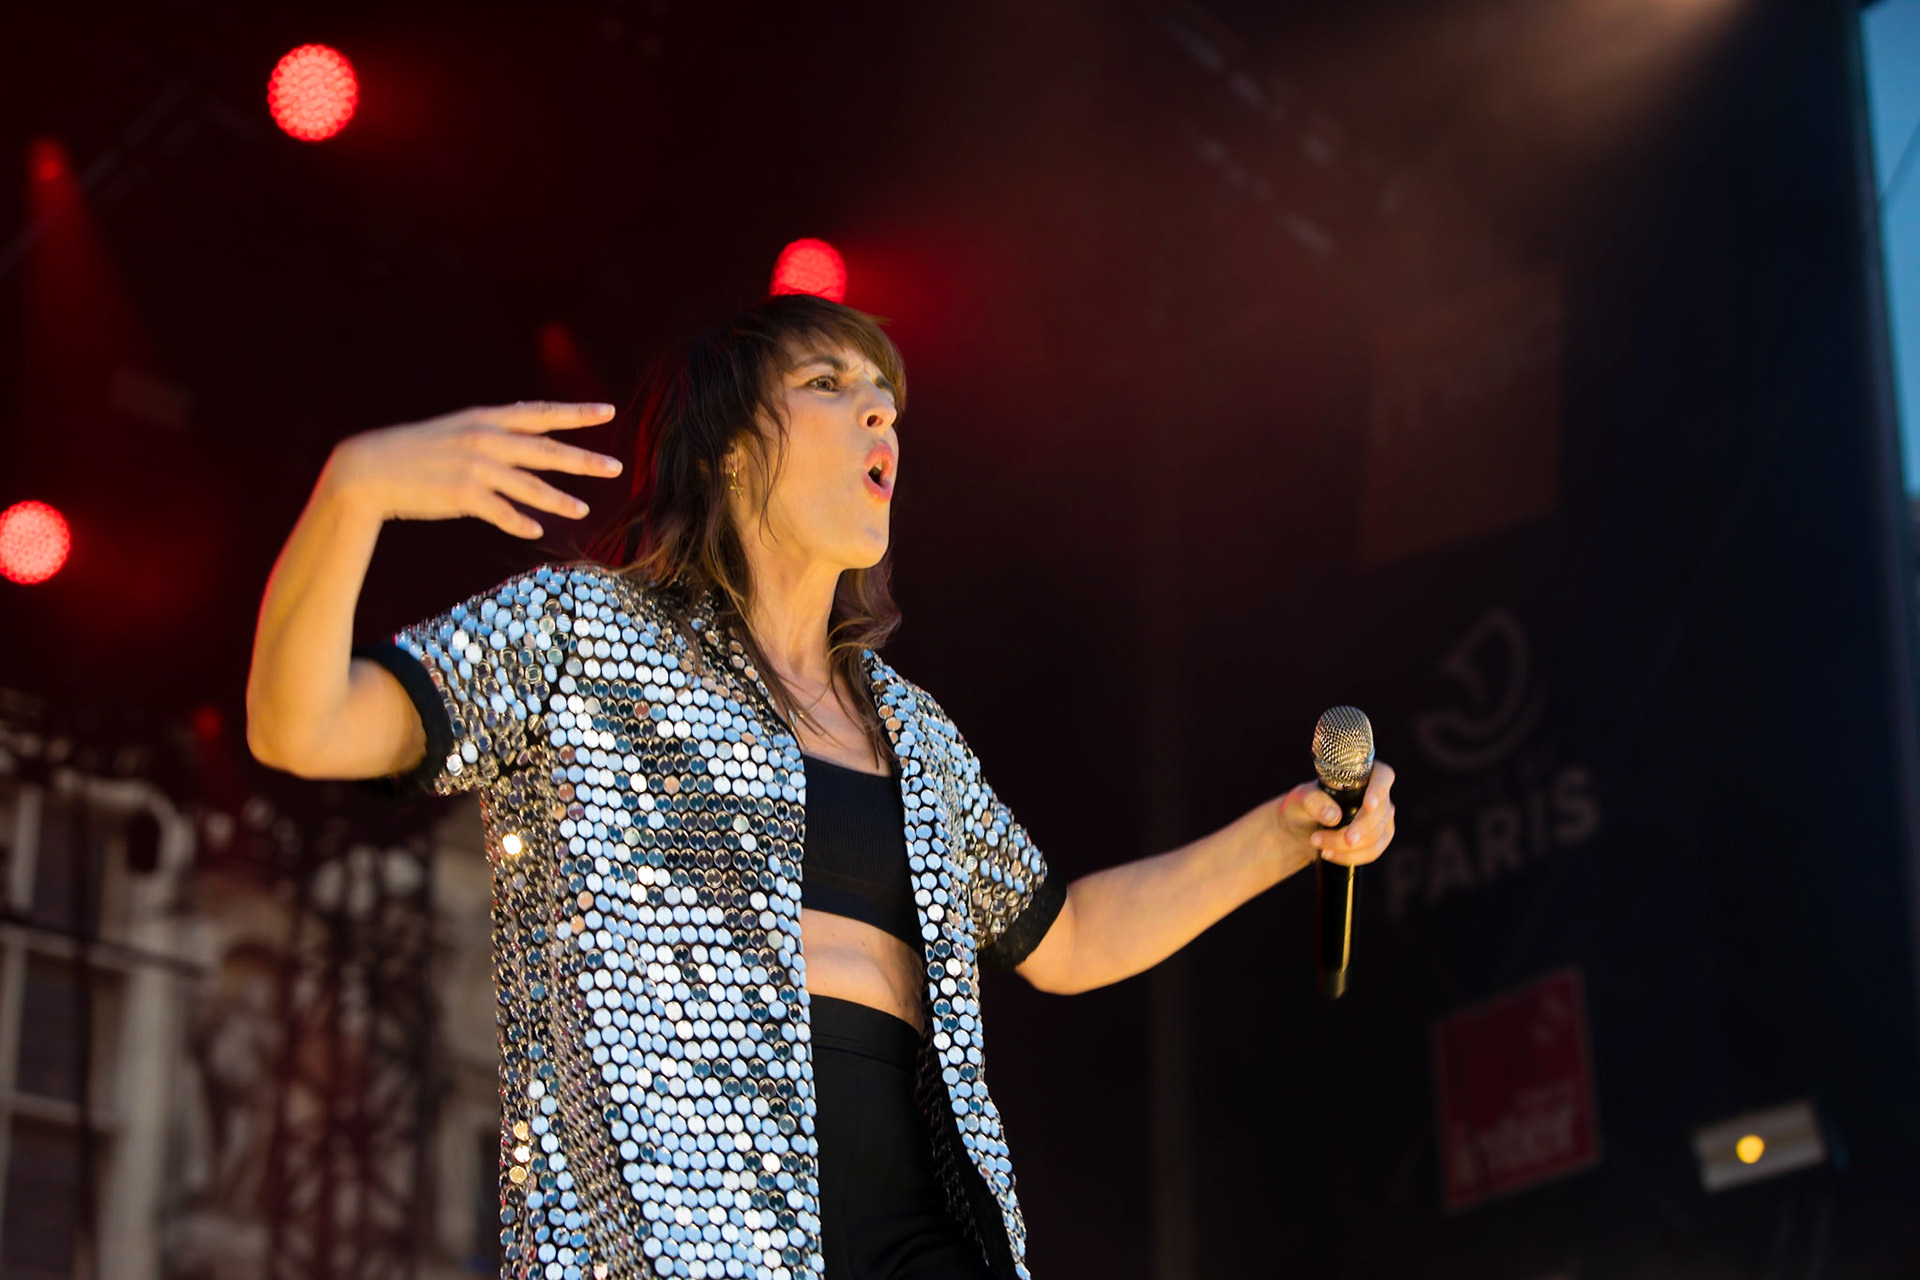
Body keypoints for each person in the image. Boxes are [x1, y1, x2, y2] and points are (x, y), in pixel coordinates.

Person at [245, 293, 1397, 1280]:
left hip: (919, 1221)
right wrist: (354, 491)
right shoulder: (580, 633)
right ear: (733, 448)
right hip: (677, 1225)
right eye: (831, 383)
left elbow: (1069, 934)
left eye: (888, 395)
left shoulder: (912, 729)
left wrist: (1287, 836)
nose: (881, 410)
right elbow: (301, 725)